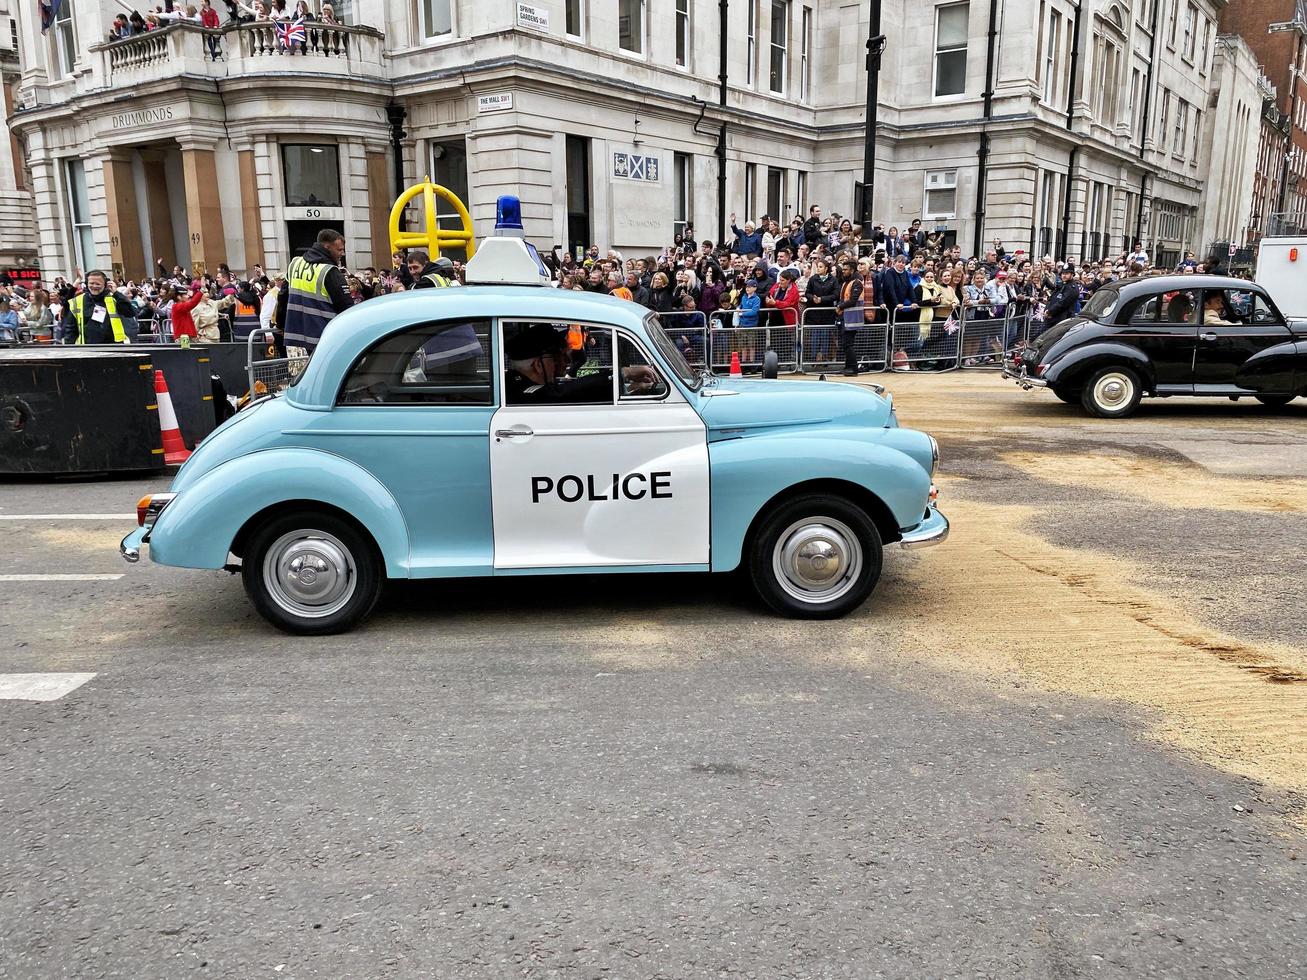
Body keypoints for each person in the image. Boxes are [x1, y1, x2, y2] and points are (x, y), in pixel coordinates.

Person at [504, 323, 654, 405]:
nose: (566, 362)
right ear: (537, 365)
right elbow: (564, 393)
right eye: (557, 357)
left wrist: (629, 390)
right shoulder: (523, 389)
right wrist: (622, 373)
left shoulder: (524, 383)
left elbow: (575, 392)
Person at [277, 228, 352, 353]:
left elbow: (283, 296)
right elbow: (346, 308)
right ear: (327, 247)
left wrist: (281, 324)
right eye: (339, 250)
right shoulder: (330, 271)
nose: (342, 253)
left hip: (297, 336)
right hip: (325, 338)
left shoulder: (295, 263)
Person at [60, 270, 130, 344]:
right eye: (91, 283)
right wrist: (70, 349)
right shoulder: (77, 301)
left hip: (114, 347)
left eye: (98, 284)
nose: (94, 286)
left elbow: (130, 313)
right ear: (87, 284)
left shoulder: (115, 299)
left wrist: (116, 293)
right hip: (88, 349)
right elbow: (71, 329)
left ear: (105, 285)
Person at [835, 258, 864, 376]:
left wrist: (840, 306)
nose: (843, 272)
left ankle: (853, 368)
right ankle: (848, 367)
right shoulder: (847, 282)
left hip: (852, 318)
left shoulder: (856, 282)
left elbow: (852, 300)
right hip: (846, 317)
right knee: (845, 344)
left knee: (848, 344)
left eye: (846, 270)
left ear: (852, 270)